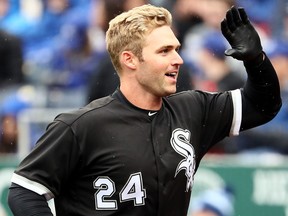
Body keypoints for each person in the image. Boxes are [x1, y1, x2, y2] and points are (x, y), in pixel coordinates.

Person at [7, 4, 281, 216]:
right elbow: (24, 191)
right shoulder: (81, 126)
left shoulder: (193, 109)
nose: (178, 59)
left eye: (176, 49)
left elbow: (264, 106)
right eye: (164, 51)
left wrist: (256, 60)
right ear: (130, 60)